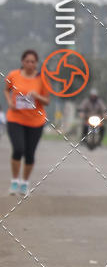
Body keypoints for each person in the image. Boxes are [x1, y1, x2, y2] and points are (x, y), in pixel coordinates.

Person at [4, 49, 50, 198]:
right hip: (15, 118)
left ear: (36, 63)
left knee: (29, 153)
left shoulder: (42, 78)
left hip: (35, 121)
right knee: (18, 149)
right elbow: (6, 90)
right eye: (27, 61)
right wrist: (9, 102)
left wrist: (37, 96)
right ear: (22, 62)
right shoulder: (13, 75)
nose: (30, 64)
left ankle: (24, 183)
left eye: (33, 62)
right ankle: (14, 181)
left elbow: (47, 101)